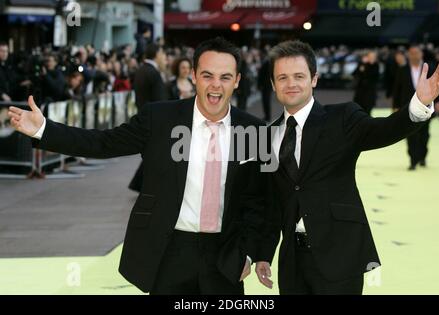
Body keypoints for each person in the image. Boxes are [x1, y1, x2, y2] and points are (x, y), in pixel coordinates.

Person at [8, 37, 265, 295]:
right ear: (194, 76)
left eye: (225, 77)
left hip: (225, 256)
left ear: (237, 81)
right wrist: (44, 129)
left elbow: (260, 200)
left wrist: (250, 253)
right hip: (168, 251)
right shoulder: (160, 118)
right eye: (208, 75)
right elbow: (103, 143)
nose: (216, 85)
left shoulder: (254, 131)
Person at [254, 40, 439, 295]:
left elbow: (384, 131)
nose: (291, 83)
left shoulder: (342, 118)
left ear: (314, 79)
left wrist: (419, 103)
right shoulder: (267, 136)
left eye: (299, 76)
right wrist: (263, 253)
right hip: (293, 262)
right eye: (283, 77)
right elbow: (272, 204)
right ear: (273, 85)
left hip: (340, 255)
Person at [392, 44, 439, 170]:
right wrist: (395, 106)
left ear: (421, 54)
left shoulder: (430, 67)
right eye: (411, 53)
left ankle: (422, 157)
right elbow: (397, 89)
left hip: (426, 106)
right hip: (408, 107)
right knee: (410, 134)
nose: (413, 55)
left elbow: (438, 85)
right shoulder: (403, 69)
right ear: (408, 55)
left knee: (424, 134)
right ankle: (413, 160)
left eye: (416, 53)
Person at [129, 43, 169, 192]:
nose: (164, 57)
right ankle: (140, 183)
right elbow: (160, 99)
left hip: (145, 115)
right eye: (162, 53)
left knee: (153, 152)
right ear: (157, 54)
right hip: (154, 118)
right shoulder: (152, 72)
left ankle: (139, 183)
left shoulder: (142, 70)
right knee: (155, 152)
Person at [352, 50, 379, 116]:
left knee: (368, 111)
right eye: (370, 56)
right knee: (359, 110)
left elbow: (373, 77)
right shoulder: (362, 64)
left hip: (369, 93)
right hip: (360, 92)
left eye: (373, 57)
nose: (371, 58)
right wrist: (362, 64)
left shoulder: (375, 66)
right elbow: (354, 73)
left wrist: (368, 65)